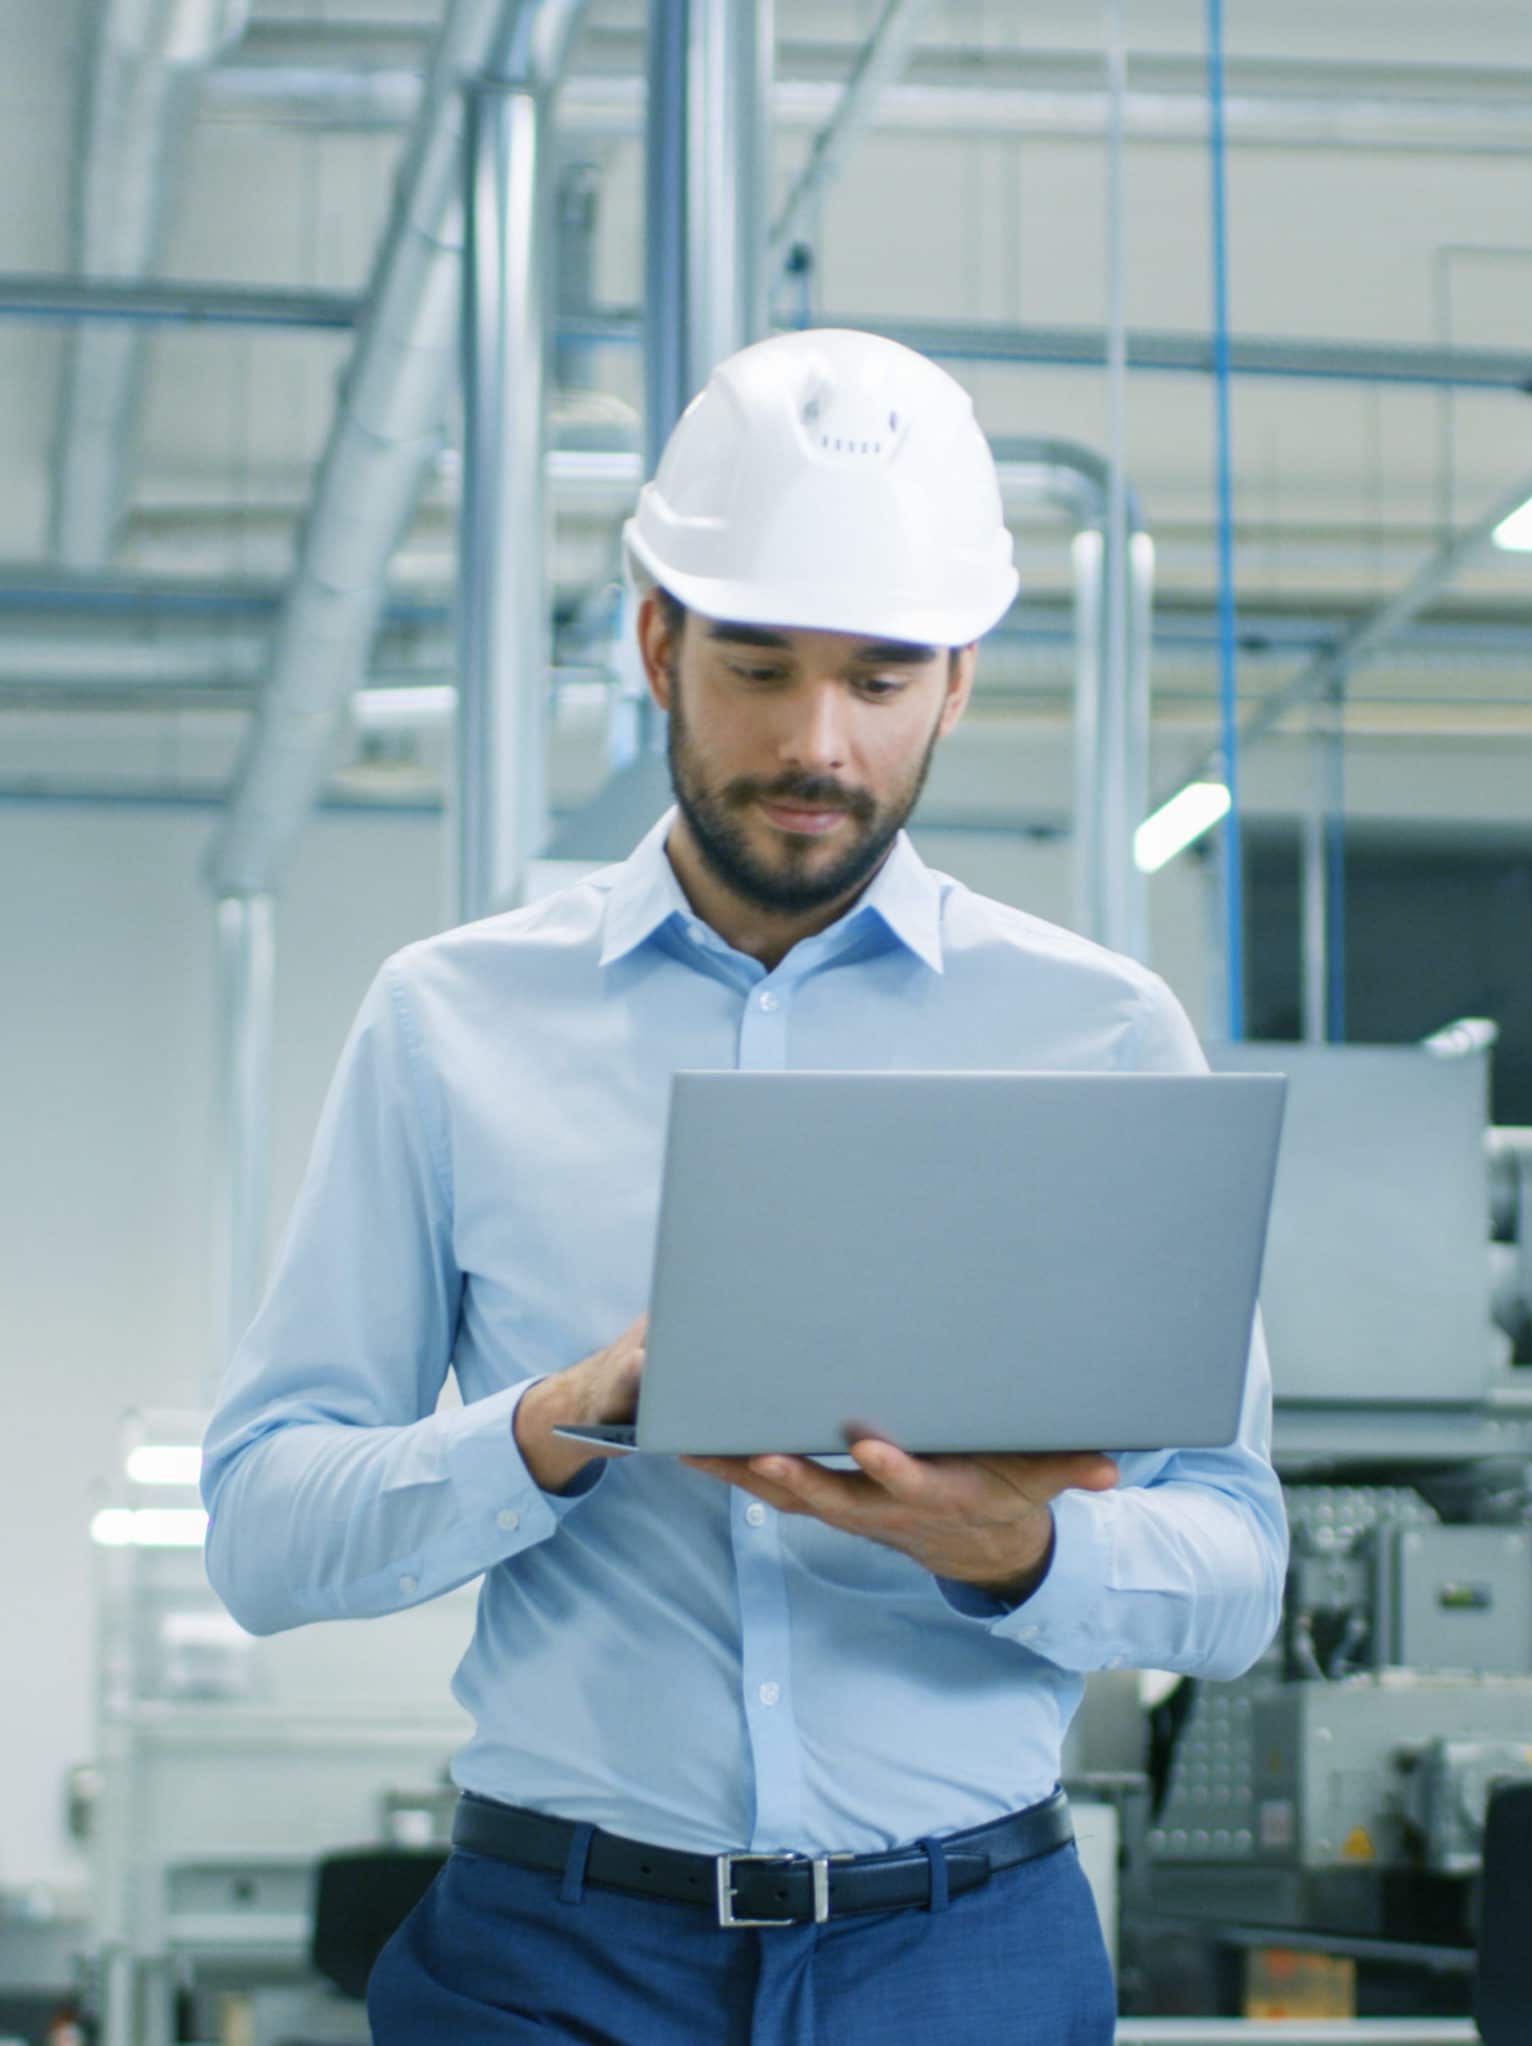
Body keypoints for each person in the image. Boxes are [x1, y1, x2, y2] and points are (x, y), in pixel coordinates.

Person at [201, 328, 1287, 2045]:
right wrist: (551, 1424)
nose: (818, 741)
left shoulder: (1096, 1033)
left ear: (957, 681)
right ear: (657, 643)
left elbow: (1234, 1562)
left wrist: (1017, 1551)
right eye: (761, 667)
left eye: (878, 677)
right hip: (554, 1954)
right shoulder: (452, 1020)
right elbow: (264, 1527)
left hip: (962, 1954)